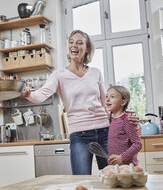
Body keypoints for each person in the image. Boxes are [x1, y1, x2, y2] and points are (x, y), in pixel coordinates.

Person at [20, 30, 138, 175]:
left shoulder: (95, 72)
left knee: (114, 178)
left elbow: (106, 103)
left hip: (105, 133)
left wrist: (125, 117)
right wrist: (28, 94)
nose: (74, 45)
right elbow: (40, 95)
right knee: (81, 180)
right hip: (80, 137)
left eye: (79, 42)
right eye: (71, 42)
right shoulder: (59, 75)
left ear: (87, 48)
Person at [106, 85, 142, 166]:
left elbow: (138, 144)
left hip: (127, 167)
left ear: (123, 102)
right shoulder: (111, 119)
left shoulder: (127, 120)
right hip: (115, 166)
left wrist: (122, 157)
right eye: (106, 96)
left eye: (112, 97)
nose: (107, 100)